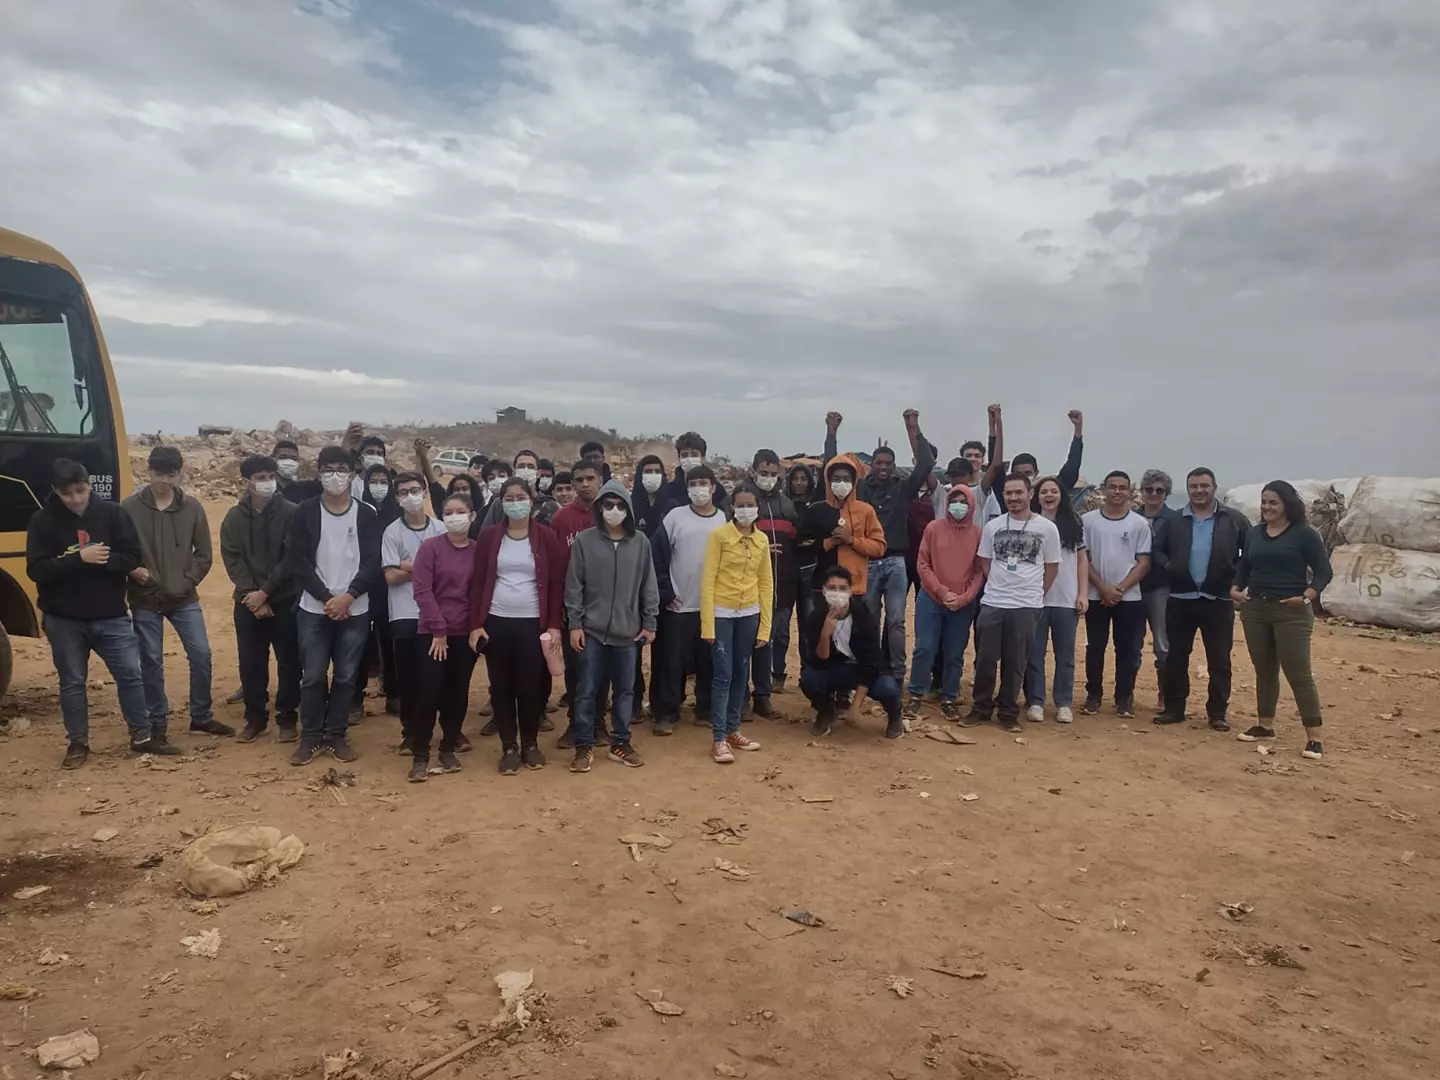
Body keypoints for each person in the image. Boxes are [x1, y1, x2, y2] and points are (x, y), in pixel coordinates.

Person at [26, 459, 171, 766]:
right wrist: (79, 559)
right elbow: (36, 569)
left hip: (110, 615)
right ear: (56, 491)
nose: (76, 498)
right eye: (68, 493)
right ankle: (78, 743)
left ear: (90, 485)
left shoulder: (112, 514)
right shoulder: (42, 521)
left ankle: (142, 736)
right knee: (72, 682)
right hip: (64, 618)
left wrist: (102, 560)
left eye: (81, 490)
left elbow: (132, 556)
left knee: (130, 675)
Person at [123, 446, 231, 740]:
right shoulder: (129, 508)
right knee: (151, 660)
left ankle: (201, 716)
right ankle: (157, 721)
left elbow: (204, 555)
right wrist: (133, 569)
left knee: (201, 654)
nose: (165, 481)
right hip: (145, 597)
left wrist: (188, 581)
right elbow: (120, 550)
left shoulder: (193, 508)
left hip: (184, 598)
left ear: (180, 475)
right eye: (159, 474)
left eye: (171, 475)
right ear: (149, 472)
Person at [285, 445, 383, 765]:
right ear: (318, 474)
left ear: (353, 475)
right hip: (315, 608)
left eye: (342, 470)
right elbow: (297, 560)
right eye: (328, 470)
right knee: (312, 675)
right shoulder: (306, 511)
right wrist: (328, 598)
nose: (335, 476)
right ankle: (311, 736)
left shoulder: (366, 513)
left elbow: (372, 561)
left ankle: (337, 734)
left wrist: (349, 596)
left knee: (345, 675)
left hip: (355, 608)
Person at [823, 410, 935, 685]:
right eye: (879, 463)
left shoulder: (903, 488)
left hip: (896, 562)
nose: (884, 467)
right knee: (869, 620)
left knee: (896, 620)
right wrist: (832, 433)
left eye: (888, 463)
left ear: (894, 466)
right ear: (871, 464)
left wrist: (914, 428)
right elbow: (832, 467)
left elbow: (926, 463)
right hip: (866, 563)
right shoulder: (858, 490)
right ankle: (869, 668)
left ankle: (896, 673)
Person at [467, 478, 565, 775]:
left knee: (529, 687)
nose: (515, 503)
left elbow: (556, 583)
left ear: (532, 500)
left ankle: (531, 745)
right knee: (502, 687)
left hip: (533, 623)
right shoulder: (489, 537)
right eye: (509, 498)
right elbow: (479, 581)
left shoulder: (546, 537)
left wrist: (554, 625)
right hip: (497, 622)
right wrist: (476, 624)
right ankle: (509, 746)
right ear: (501, 502)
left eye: (521, 497)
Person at [1230, 481, 1332, 760]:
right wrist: (1235, 590)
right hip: (1255, 611)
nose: (1267, 507)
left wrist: (1307, 598)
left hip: (1292, 612)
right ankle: (1265, 726)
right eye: (1264, 502)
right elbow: (1245, 567)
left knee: (1298, 674)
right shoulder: (1254, 533)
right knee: (1264, 670)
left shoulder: (1304, 535)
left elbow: (1324, 573)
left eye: (1273, 502)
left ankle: (1314, 738)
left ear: (1287, 504)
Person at [565, 480, 658, 772]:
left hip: (628, 632)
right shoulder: (584, 541)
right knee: (587, 689)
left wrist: (650, 621)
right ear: (599, 508)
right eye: (608, 505)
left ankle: (621, 742)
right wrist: (575, 623)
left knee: (625, 690)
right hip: (591, 630)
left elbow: (649, 585)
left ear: (628, 509)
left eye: (620, 505)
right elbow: (574, 585)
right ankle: (583, 745)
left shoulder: (640, 542)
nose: (614, 510)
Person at [1151, 468, 1251, 732]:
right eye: (1193, 486)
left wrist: (1234, 576)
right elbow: (1157, 549)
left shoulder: (1233, 519)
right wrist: (1169, 566)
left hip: (1217, 599)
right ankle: (1174, 708)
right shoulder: (1175, 521)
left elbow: (1250, 553)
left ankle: (1217, 712)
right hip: (1180, 597)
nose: (1198, 490)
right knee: (1176, 657)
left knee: (1219, 659)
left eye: (1204, 485)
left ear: (1214, 487)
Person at [967, 474, 1062, 732]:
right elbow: (985, 561)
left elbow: (1052, 567)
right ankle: (981, 707)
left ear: (1030, 494)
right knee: (985, 659)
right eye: (1008, 493)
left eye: (1018, 492)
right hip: (994, 602)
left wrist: (1034, 593)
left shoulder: (1046, 529)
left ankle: (1008, 712)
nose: (1013, 498)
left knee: (1016, 661)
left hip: (1026, 605)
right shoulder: (993, 527)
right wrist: (1000, 584)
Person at [220, 455, 301, 743]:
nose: (267, 482)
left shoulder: (291, 512)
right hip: (247, 602)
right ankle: (255, 718)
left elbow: (291, 557)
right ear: (246, 482)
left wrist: (266, 592)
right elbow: (232, 558)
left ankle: (287, 717)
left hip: (284, 598)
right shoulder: (233, 517)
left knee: (289, 661)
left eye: (270, 476)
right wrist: (251, 595)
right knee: (251, 662)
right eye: (260, 478)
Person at [651, 464, 729, 735]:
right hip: (679, 603)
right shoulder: (675, 517)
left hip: (713, 605)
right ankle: (668, 712)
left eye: (703, 483)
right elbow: (658, 557)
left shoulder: (724, 520)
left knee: (708, 659)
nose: (699, 488)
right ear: (687, 489)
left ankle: (704, 709)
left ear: (713, 487)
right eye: (693, 483)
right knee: (673, 661)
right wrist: (667, 593)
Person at [407, 492, 480, 781]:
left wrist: (476, 626)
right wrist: (439, 630)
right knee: (429, 693)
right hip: (432, 634)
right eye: (448, 513)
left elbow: (480, 593)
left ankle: (448, 747)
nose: (454, 517)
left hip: (466, 634)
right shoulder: (430, 548)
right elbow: (422, 591)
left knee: (457, 693)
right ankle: (420, 753)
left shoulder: (478, 550)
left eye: (460, 511)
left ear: (472, 515)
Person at [700, 488, 773, 764]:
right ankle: (718, 738)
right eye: (740, 505)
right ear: (732, 508)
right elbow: (708, 579)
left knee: (742, 673)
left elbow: (766, 583)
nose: (745, 510)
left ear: (757, 508)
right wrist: (708, 624)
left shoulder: (762, 540)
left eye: (750, 505)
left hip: (749, 613)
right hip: (721, 612)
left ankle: (733, 730)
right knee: (723, 674)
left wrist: (764, 627)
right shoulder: (719, 536)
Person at [381, 471, 447, 752]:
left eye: (415, 490)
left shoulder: (441, 529)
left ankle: (446, 730)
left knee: (438, 675)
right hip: (404, 613)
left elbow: (448, 573)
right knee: (408, 677)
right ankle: (410, 731)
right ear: (397, 498)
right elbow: (390, 576)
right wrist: (425, 569)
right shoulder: (392, 532)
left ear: (425, 492)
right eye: (404, 492)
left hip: (438, 613)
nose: (411, 496)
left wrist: (409, 566)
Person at [906, 484, 984, 722]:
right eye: (953, 501)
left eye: (963, 501)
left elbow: (980, 571)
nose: (957, 506)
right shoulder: (933, 528)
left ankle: (949, 696)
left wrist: (964, 598)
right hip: (931, 598)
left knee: (954, 653)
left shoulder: (978, 533)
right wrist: (941, 592)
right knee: (924, 648)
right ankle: (916, 693)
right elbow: (922, 564)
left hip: (962, 604)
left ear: (971, 505)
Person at [800, 566, 904, 739]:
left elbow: (870, 663)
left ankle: (895, 717)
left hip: (863, 670)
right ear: (824, 591)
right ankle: (826, 711)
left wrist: (855, 707)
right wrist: (825, 635)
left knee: (888, 688)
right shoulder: (817, 616)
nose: (837, 593)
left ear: (850, 591)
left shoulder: (863, 616)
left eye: (842, 588)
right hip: (835, 668)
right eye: (832, 588)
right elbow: (818, 661)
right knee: (809, 679)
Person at [1081, 471, 1152, 718]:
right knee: (1095, 647)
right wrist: (1103, 588)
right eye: (1113, 487)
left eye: (1123, 487)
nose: (1118, 492)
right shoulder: (1088, 521)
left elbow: (1143, 562)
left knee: (1127, 649)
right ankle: (1093, 696)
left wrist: (1119, 590)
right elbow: (1084, 559)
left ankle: (1124, 698)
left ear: (1130, 491)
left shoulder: (1139, 524)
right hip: (1095, 595)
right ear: (1104, 489)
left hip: (1129, 598)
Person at [549, 460, 607, 747]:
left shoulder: (611, 514)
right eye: (579, 480)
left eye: (590, 478)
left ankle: (598, 723)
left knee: (602, 668)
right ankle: (575, 723)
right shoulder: (562, 519)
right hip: (573, 607)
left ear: (600, 480)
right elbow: (558, 567)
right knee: (575, 669)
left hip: (606, 606)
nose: (585, 484)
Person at [1024, 477, 1089, 724]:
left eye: (1054, 491)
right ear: (1035, 495)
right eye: (1043, 491)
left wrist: (1082, 593)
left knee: (1065, 656)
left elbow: (1082, 560)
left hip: (1066, 599)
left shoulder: (1073, 523)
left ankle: (1063, 702)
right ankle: (1036, 702)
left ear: (1062, 495)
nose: (1049, 495)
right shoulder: (1030, 523)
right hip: (1035, 599)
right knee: (1034, 654)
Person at [741, 450, 798, 711]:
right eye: (763, 473)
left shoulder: (786, 505)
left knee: (771, 637)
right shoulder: (743, 501)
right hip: (747, 583)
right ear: (753, 471)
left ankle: (763, 695)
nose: (768, 478)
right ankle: (741, 695)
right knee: (745, 641)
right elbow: (729, 538)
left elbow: (797, 542)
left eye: (773, 474)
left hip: (782, 583)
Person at [797, 454, 887, 599]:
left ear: (854, 481)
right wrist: (829, 543)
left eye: (846, 479)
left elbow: (879, 547)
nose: (841, 483)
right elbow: (802, 546)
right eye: (836, 479)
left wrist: (852, 540)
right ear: (828, 480)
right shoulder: (816, 510)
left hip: (854, 587)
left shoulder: (865, 511)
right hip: (822, 586)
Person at [360, 461, 402, 715]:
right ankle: (355, 698)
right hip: (362, 586)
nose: (378, 486)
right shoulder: (358, 512)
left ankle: (394, 693)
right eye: (373, 481)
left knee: (390, 642)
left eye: (383, 482)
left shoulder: (397, 515)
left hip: (390, 588)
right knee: (360, 643)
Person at [1138, 468, 1180, 708]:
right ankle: (1126, 694)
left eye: (1159, 490)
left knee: (1163, 644)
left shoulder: (1175, 520)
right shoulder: (1131, 517)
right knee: (1132, 642)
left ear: (1167, 493)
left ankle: (1165, 695)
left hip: (1161, 588)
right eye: (1149, 489)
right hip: (1132, 587)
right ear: (1142, 492)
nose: (1154, 493)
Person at [654, 432, 730, 518]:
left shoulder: (718, 491)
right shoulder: (669, 491)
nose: (689, 459)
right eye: (685, 455)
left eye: (694, 455)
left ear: (703, 458)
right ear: (679, 458)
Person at [631, 454, 668, 537]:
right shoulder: (630, 504)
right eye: (648, 471)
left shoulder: (671, 505)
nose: (653, 475)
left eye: (657, 471)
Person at [274, 439, 320, 504]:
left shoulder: (304, 490)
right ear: (273, 459)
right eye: (283, 457)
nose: (289, 462)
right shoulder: (268, 489)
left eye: (293, 458)